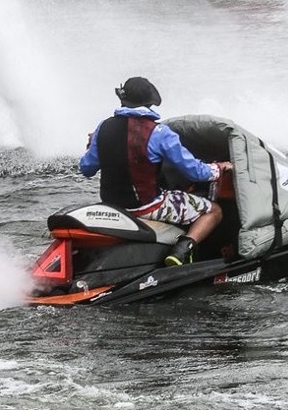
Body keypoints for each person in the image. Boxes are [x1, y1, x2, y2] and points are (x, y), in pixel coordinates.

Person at [79, 77, 233, 267]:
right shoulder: (159, 133)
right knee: (214, 211)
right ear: (150, 102)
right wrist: (219, 168)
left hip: (112, 206)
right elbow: (196, 172)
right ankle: (183, 250)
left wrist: (91, 145)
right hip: (147, 207)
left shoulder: (103, 128)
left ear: (123, 100)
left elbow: (86, 169)